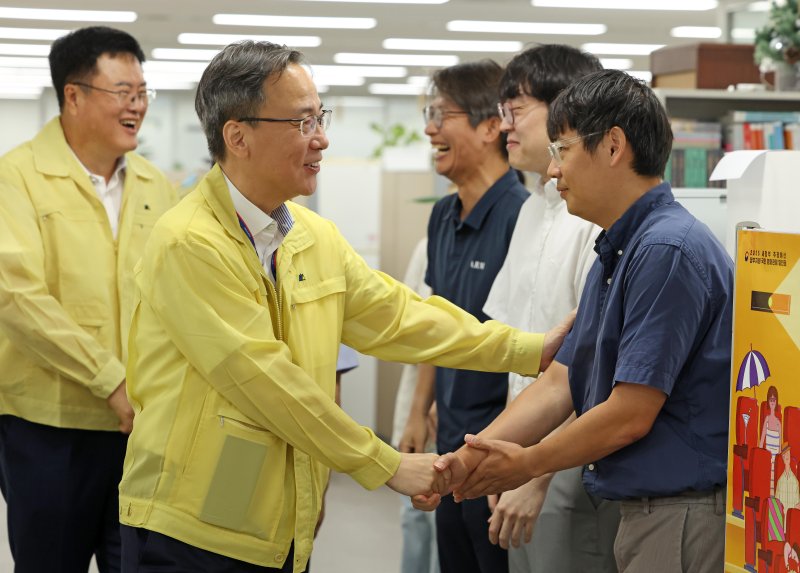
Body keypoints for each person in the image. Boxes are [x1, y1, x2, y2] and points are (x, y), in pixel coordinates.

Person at [116, 41, 569, 573]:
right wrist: (385, 464)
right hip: (189, 528)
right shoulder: (189, 243)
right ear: (238, 136)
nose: (322, 138)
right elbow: (266, 382)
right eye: (303, 122)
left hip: (277, 524)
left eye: (320, 117)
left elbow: (400, 317)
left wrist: (529, 349)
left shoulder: (310, 236)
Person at [429, 69, 733, 573]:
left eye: (562, 150)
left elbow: (630, 412)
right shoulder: (620, 248)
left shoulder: (667, 249)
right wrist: (470, 457)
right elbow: (560, 382)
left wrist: (528, 464)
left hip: (682, 512)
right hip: (647, 511)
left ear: (613, 146)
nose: (553, 171)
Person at [0, 26, 177, 573]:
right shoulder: (16, 177)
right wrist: (110, 381)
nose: (137, 106)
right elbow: (17, 297)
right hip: (49, 430)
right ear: (73, 96)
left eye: (142, 92)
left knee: (141, 564)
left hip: (142, 427)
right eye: (123, 92)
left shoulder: (157, 186)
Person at [483, 45, 619, 572]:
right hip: (525, 455)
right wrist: (502, 452)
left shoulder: (595, 219)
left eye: (515, 110)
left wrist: (536, 474)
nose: (504, 126)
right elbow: (517, 351)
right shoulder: (530, 213)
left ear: (567, 109)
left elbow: (596, 372)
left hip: (569, 465)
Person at [402, 59, 529, 573]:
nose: (430, 129)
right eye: (428, 115)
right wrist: (418, 412)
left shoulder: (521, 216)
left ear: (491, 125)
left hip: (498, 447)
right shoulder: (442, 215)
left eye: (442, 115)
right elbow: (434, 326)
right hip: (450, 443)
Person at [391, 238, 439, 573]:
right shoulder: (428, 245)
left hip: (452, 412)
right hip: (418, 409)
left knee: (440, 528)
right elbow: (412, 330)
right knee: (414, 520)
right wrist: (417, 412)